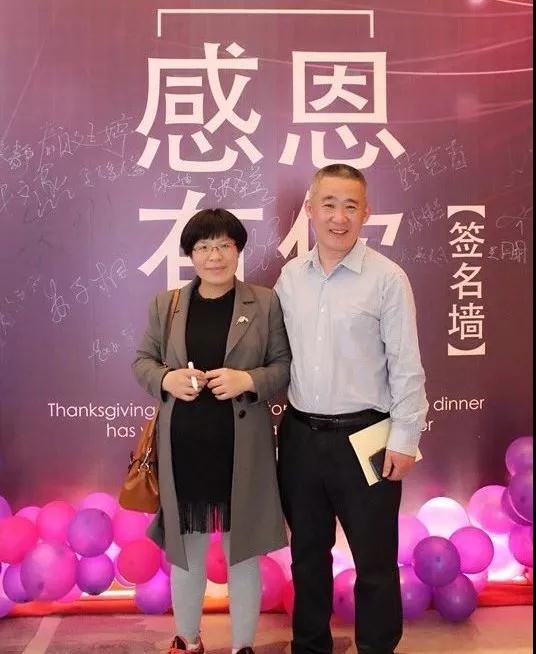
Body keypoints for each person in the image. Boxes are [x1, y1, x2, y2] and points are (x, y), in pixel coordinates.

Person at [275, 164, 428, 654]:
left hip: (368, 437)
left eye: (350, 206)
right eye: (328, 204)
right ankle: (310, 645)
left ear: (366, 213)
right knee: (306, 555)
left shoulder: (387, 279)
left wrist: (404, 439)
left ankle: (377, 647)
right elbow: (277, 356)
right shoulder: (290, 278)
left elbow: (407, 366)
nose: (338, 218)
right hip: (299, 437)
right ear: (309, 209)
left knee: (375, 561)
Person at [133, 208, 290, 654]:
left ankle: (243, 646)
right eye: (203, 247)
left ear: (238, 251)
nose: (214, 256)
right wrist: (167, 379)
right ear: (190, 254)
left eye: (224, 246)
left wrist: (248, 381)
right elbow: (142, 361)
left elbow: (283, 366)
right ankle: (187, 639)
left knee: (243, 553)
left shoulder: (264, 303)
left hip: (242, 450)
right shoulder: (167, 305)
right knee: (188, 553)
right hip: (185, 448)